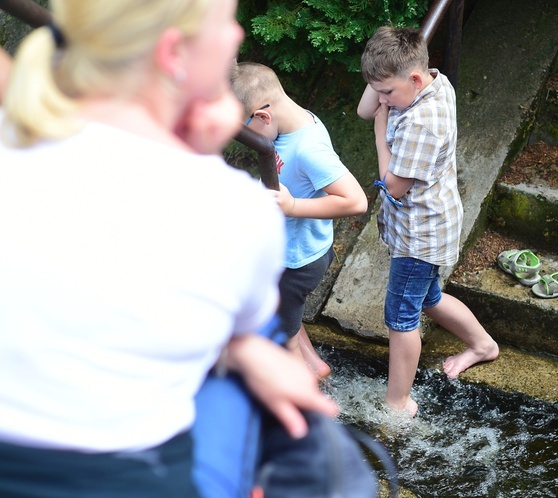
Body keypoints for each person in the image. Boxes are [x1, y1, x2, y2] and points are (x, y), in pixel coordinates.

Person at [0, 1, 337, 497]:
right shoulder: (236, 210)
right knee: (253, 353)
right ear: (173, 52)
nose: (239, 32)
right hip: (130, 479)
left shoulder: (13, 137)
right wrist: (198, 154)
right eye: (225, 20)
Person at [357, 26, 499, 417]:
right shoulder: (435, 81)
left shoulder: (421, 123)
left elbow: (393, 186)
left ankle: (398, 402)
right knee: (428, 298)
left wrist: (379, 132)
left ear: (415, 79)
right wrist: (381, 83)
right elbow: (365, 106)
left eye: (387, 92)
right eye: (378, 89)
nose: (381, 101)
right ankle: (483, 346)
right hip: (428, 224)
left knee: (402, 317)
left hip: (419, 235)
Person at [231, 62, 368, 379]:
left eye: (248, 133)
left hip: (298, 260)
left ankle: (310, 403)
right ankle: (316, 366)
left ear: (263, 116)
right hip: (295, 251)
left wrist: (292, 206)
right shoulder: (294, 122)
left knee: (282, 335)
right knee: (287, 316)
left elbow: (356, 200)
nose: (250, 142)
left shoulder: (308, 148)